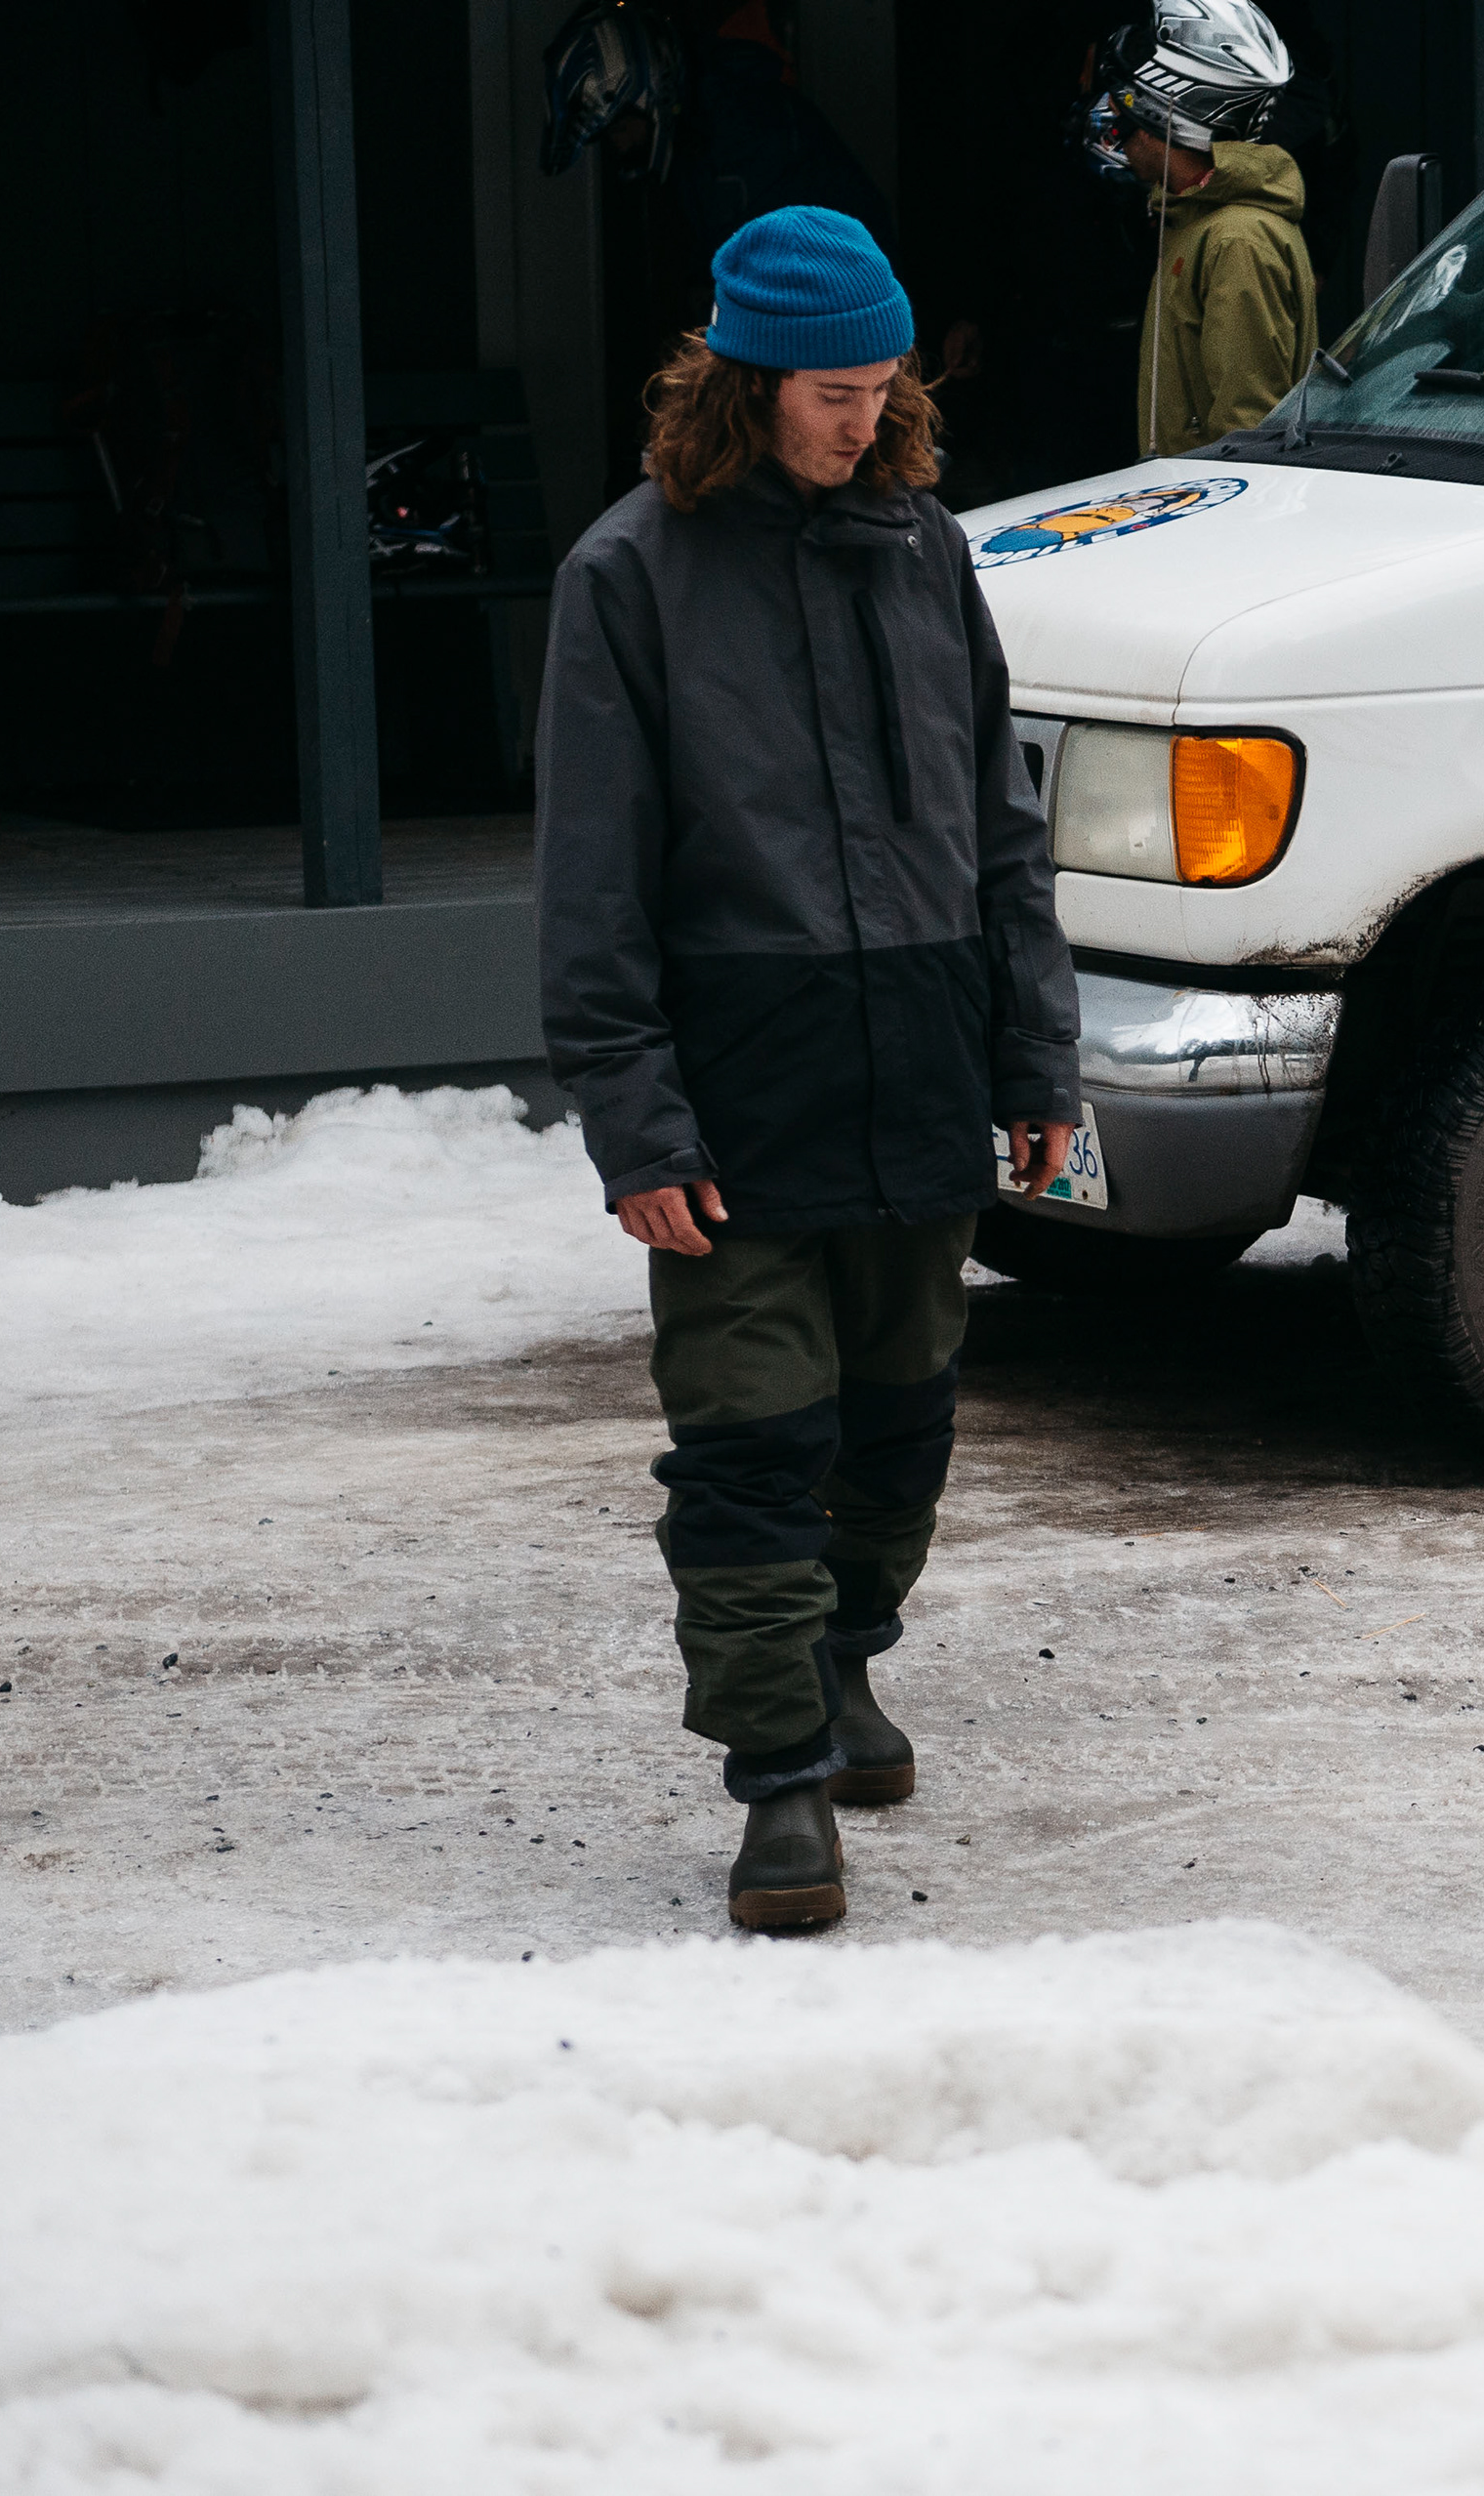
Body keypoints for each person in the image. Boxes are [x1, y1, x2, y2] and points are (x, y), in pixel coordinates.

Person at [536, 205, 1079, 1933]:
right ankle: (778, 1786)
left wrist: (1037, 1060)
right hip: (737, 1097)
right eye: (833, 393)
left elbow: (1006, 839)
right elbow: (593, 886)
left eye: (881, 388)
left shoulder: (927, 556)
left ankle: (849, 1665)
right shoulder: (626, 577)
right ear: (749, 385)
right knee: (756, 1445)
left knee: (900, 1427)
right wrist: (634, 1119)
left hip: (918, 1068)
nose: (864, 419)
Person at [1092, 0, 1316, 458]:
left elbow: (1249, 437)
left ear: (1160, 118)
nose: (1111, 122)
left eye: (1125, 110)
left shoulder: (1238, 241)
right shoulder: (1194, 222)